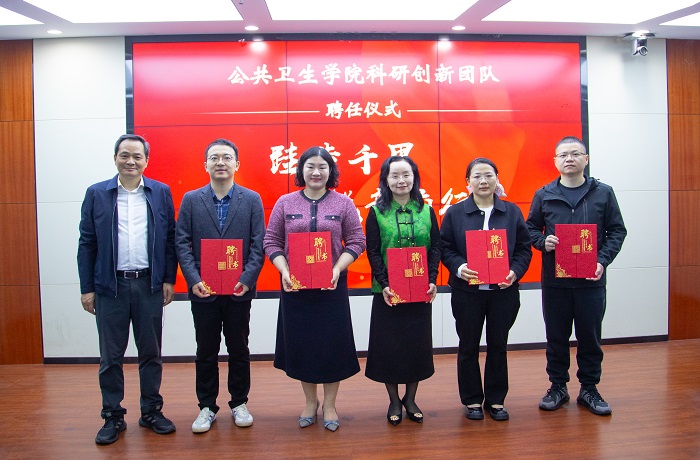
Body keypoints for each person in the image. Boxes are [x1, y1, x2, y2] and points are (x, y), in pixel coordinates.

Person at [77, 134, 178, 444]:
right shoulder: (97, 193)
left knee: (151, 353)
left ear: (146, 161)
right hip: (111, 287)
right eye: (124, 155)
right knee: (111, 357)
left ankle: (151, 411)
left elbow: (170, 239)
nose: (130, 161)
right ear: (115, 158)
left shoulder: (160, 192)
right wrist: (87, 287)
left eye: (137, 156)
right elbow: (87, 243)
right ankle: (112, 415)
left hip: (149, 284)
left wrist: (169, 279)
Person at [263, 146, 366, 432]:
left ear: (331, 171)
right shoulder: (285, 203)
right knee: (303, 346)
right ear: (301, 170)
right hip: (295, 289)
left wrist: (337, 269)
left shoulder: (343, 204)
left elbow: (357, 241)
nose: (316, 172)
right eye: (310, 166)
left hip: (331, 287)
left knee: (332, 347)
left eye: (322, 166)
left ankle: (330, 404)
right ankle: (310, 402)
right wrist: (285, 271)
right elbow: (271, 241)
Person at [526, 136, 626, 416]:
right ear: (555, 161)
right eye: (563, 155)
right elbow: (530, 229)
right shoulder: (544, 194)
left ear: (586, 159)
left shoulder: (603, 193)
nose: (569, 159)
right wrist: (542, 242)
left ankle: (589, 389)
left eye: (575, 153)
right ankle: (558, 386)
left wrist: (602, 260)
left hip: (590, 281)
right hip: (555, 282)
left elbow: (617, 230)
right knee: (556, 337)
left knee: (589, 337)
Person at [176, 138, 265, 433]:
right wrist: (194, 280)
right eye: (214, 158)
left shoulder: (251, 199)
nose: (220, 162)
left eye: (227, 157)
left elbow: (258, 244)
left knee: (239, 347)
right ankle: (206, 406)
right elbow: (182, 242)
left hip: (239, 291)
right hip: (204, 291)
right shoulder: (191, 199)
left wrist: (247, 279)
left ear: (237, 164)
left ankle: (239, 402)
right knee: (206, 349)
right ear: (205, 165)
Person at [440, 157, 532, 421]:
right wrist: (459, 267)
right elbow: (445, 247)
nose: (483, 181)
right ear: (468, 182)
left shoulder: (511, 212)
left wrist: (515, 271)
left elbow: (524, 248)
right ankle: (471, 399)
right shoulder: (455, 213)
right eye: (477, 176)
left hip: (503, 293)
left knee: (498, 345)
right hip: (467, 293)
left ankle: (496, 399)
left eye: (489, 175)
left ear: (497, 179)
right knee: (468, 345)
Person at [364, 156, 440, 426]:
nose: (401, 180)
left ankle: (411, 399)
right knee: (390, 347)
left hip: (420, 290)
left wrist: (432, 279)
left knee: (415, 346)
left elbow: (435, 248)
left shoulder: (426, 210)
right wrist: (384, 284)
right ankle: (394, 400)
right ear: (386, 180)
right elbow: (373, 251)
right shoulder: (376, 212)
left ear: (414, 177)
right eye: (394, 175)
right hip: (388, 293)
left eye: (406, 175)